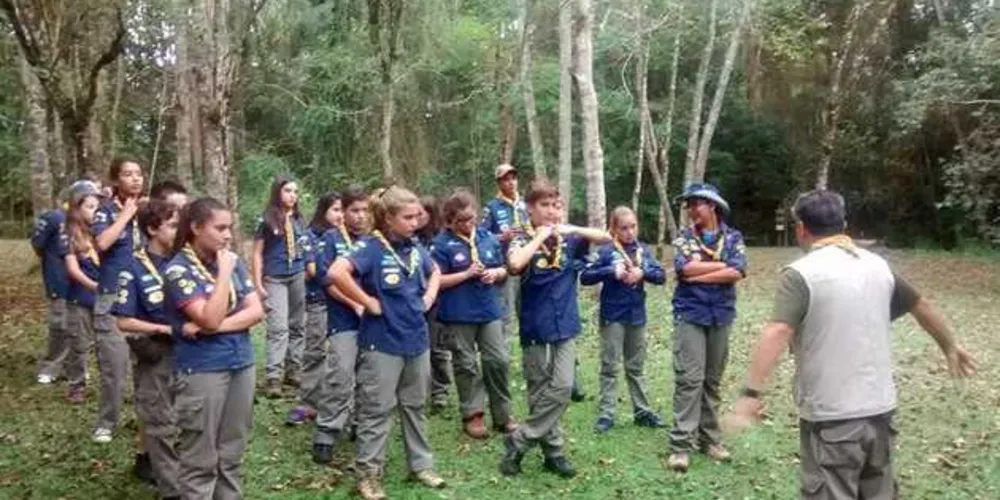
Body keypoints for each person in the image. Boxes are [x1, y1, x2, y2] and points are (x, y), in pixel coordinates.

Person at [723, 190, 977, 499]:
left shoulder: (801, 274)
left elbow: (777, 330)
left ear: (801, 228)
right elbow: (920, 305)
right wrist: (950, 346)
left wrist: (751, 394)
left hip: (833, 419)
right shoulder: (877, 266)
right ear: (843, 224)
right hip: (881, 412)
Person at [328, 185, 446, 500]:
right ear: (388, 218)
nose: (415, 222)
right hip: (382, 343)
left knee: (415, 406)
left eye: (417, 216)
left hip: (416, 341)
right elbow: (337, 272)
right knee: (376, 410)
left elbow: (434, 271)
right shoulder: (371, 248)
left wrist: (430, 295)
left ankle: (420, 465)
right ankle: (368, 475)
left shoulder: (415, 246)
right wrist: (367, 301)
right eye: (407, 217)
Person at [499, 179, 611, 479]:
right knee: (538, 390)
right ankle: (554, 452)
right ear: (530, 209)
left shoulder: (570, 239)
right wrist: (539, 236)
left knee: (562, 387)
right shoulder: (520, 237)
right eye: (544, 205)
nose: (552, 211)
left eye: (556, 205)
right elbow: (514, 264)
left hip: (566, 323)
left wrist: (572, 229)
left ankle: (519, 439)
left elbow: (605, 237)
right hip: (535, 324)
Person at [164, 197, 265, 499]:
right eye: (220, 228)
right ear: (195, 228)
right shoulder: (178, 269)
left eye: (229, 228)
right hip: (203, 368)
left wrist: (213, 327)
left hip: (241, 362)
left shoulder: (230, 261)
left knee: (231, 453)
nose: (227, 236)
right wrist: (222, 275)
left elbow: (256, 311)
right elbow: (207, 315)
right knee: (200, 458)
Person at [665, 183, 747, 472]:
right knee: (690, 379)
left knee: (712, 380)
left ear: (711, 205)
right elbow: (684, 268)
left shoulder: (733, 237)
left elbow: (737, 271)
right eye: (687, 205)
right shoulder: (684, 237)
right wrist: (719, 267)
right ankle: (680, 445)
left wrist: (700, 273)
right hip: (691, 314)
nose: (690, 210)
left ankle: (710, 439)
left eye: (695, 204)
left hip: (721, 315)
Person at [432, 190, 516, 439]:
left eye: (471, 218)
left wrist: (497, 274)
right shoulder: (441, 245)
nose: (468, 225)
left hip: (488, 309)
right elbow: (436, 280)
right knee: (466, 364)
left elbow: (504, 268)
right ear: (450, 221)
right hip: (459, 313)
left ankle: (503, 414)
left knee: (498, 360)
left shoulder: (487, 238)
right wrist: (466, 274)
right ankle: (473, 415)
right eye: (461, 221)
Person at [113, 200, 182, 499]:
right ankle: (172, 489)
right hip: (158, 354)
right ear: (152, 229)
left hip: (192, 353)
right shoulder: (133, 267)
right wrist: (161, 329)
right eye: (173, 226)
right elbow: (124, 320)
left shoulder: (184, 261)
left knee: (191, 420)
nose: (178, 232)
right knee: (160, 423)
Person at [581, 206, 667, 434]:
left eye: (633, 227)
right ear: (614, 229)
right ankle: (607, 413)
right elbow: (585, 276)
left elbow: (662, 276)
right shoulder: (606, 251)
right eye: (624, 228)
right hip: (613, 315)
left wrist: (643, 273)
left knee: (636, 366)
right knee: (610, 365)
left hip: (636, 315)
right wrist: (611, 271)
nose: (629, 232)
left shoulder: (643, 250)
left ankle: (642, 411)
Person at [312, 184, 369, 463]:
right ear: (343, 212)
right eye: (354, 210)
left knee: (368, 375)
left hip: (372, 321)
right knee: (341, 374)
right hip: (343, 320)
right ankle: (326, 431)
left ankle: (360, 424)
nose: (360, 216)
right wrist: (356, 304)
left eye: (364, 210)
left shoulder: (374, 240)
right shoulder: (331, 240)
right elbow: (327, 282)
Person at [90, 156, 145, 443]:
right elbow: (101, 243)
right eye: (127, 174)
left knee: (146, 364)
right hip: (112, 296)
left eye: (138, 174)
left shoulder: (150, 213)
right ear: (116, 180)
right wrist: (126, 215)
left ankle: (145, 418)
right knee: (114, 365)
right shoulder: (105, 212)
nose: (135, 179)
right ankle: (107, 422)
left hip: (144, 299)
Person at [31, 181, 97, 385]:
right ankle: (50, 367)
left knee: (81, 331)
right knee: (59, 326)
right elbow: (38, 245)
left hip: (83, 286)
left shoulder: (94, 223)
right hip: (60, 282)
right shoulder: (55, 218)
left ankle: (76, 368)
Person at [287, 192, 344, 426]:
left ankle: (342, 403)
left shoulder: (349, 238)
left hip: (346, 302)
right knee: (315, 351)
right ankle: (309, 403)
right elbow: (312, 270)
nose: (340, 215)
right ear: (323, 211)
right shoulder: (310, 236)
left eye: (342, 210)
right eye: (335, 210)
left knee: (343, 355)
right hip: (319, 300)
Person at [253, 176, 310, 397]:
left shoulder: (298, 220)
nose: (292, 196)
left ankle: (293, 370)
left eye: (295, 191)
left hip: (297, 274)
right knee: (278, 327)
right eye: (287, 191)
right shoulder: (266, 219)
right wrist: (258, 283)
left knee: (297, 325)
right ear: (278, 192)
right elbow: (257, 254)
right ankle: (273, 376)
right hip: (275, 277)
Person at [62, 182, 104, 405]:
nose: (94, 211)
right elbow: (72, 269)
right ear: (77, 208)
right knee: (79, 343)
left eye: (97, 206)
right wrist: (94, 285)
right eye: (89, 206)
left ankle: (109, 383)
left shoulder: (102, 231)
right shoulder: (69, 234)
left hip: (104, 298)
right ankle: (76, 384)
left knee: (105, 343)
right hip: (81, 297)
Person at [480, 164, 529, 342]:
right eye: (506, 179)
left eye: (513, 178)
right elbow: (481, 236)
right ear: (499, 183)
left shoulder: (526, 205)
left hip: (528, 266)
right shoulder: (492, 207)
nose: (511, 183)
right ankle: (503, 358)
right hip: (506, 269)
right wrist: (502, 237)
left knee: (529, 312)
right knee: (505, 316)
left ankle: (531, 356)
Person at [416, 195, 453, 412]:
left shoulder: (440, 240)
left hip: (437, 301)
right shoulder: (408, 238)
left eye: (422, 213)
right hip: (412, 299)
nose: (418, 218)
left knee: (437, 348)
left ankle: (440, 391)